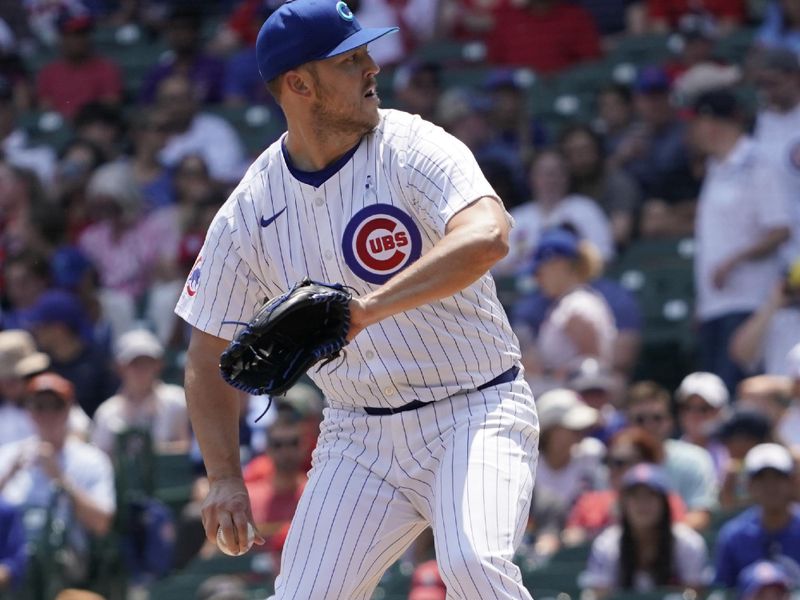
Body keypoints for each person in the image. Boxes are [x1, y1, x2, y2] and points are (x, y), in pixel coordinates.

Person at [175, 1, 539, 598]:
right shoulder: (251, 206)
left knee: (475, 564)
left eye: (367, 53)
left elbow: (488, 236)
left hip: (476, 406)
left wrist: (364, 310)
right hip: (357, 436)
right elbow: (205, 350)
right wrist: (222, 477)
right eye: (351, 60)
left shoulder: (413, 145)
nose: (373, 66)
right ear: (299, 84)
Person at [690, 89, 792, 393]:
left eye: (695, 122)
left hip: (750, 304)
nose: (692, 131)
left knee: (739, 394)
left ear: (710, 123)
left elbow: (780, 230)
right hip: (715, 306)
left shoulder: (759, 162)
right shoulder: (714, 167)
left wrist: (735, 260)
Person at [579, 463, 710, 598]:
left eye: (651, 495)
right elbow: (600, 595)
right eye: (635, 496)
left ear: (664, 503)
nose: (643, 503)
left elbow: (695, 594)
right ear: (624, 504)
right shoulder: (607, 545)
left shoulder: (688, 543)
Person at [514, 228, 617, 394]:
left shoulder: (578, 306)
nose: (536, 279)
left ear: (559, 266)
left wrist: (543, 370)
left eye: (539, 271)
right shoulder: (566, 304)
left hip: (577, 405)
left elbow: (593, 369)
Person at [495, 150, 615, 275]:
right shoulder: (516, 216)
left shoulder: (585, 209)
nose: (550, 179)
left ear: (567, 176)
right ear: (531, 178)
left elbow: (604, 257)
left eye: (556, 173)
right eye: (544, 173)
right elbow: (499, 267)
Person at [564, 427, 687, 546]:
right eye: (609, 461)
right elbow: (570, 538)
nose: (613, 469)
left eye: (620, 462)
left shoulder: (668, 502)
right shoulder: (589, 502)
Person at [624, 381, 719, 530]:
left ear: (670, 421)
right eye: (640, 420)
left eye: (657, 418)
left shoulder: (694, 459)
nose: (649, 426)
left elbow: (700, 517)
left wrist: (653, 539)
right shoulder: (617, 463)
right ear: (628, 424)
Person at [91, 329, 190, 456]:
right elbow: (100, 458)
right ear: (120, 368)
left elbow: (187, 447)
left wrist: (150, 451)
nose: (142, 369)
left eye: (148, 362)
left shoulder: (177, 400)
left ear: (158, 365)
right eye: (135, 364)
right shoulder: (106, 413)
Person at [714, 443, 800, 588]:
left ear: (791, 482)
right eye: (761, 479)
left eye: (778, 478)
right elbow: (723, 591)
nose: (770, 486)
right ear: (749, 485)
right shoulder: (734, 536)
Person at [530, 388, 603, 556]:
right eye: (572, 429)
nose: (580, 435)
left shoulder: (591, 457)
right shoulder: (528, 466)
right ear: (550, 431)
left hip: (584, 551)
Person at [752, 49, 800, 264]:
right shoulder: (756, 124)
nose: (767, 91)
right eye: (762, 85)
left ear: (794, 77)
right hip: (774, 248)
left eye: (773, 83)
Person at [35, 11, 122, 119]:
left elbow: (110, 104)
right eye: (71, 35)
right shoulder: (49, 72)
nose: (77, 40)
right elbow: (45, 106)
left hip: (93, 126)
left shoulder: (106, 68)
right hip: (62, 126)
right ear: (61, 38)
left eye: (81, 34)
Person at [675, 371, 730, 481]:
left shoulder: (731, 455)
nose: (694, 415)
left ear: (721, 412)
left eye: (704, 408)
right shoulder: (669, 454)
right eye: (687, 407)